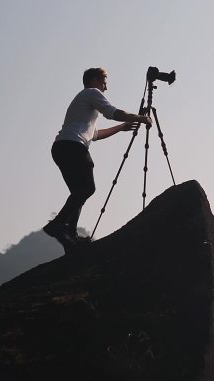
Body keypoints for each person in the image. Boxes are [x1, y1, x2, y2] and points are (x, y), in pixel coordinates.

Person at [43, 67, 152, 252]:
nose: (106, 87)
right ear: (94, 80)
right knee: (86, 189)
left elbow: (95, 134)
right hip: (72, 146)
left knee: (79, 193)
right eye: (104, 82)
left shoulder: (83, 106)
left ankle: (70, 237)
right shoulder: (91, 93)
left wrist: (121, 128)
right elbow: (113, 112)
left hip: (62, 147)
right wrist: (142, 118)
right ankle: (58, 225)